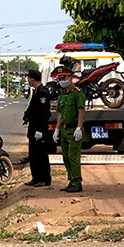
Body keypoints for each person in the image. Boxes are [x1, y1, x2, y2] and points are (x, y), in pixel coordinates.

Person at [52, 65, 85, 193]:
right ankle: (71, 180)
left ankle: (77, 182)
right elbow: (59, 114)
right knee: (65, 156)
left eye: (64, 77)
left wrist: (79, 127)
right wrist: (57, 129)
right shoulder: (62, 96)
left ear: (70, 78)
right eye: (59, 78)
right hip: (65, 130)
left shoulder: (77, 93)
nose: (61, 80)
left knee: (73, 156)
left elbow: (81, 110)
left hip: (73, 129)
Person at [23, 68, 52, 187]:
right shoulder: (35, 92)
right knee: (33, 155)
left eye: (29, 78)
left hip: (39, 129)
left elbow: (44, 113)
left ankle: (44, 179)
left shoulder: (42, 92)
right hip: (33, 127)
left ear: (32, 79)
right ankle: (35, 177)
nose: (28, 80)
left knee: (41, 155)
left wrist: (40, 130)